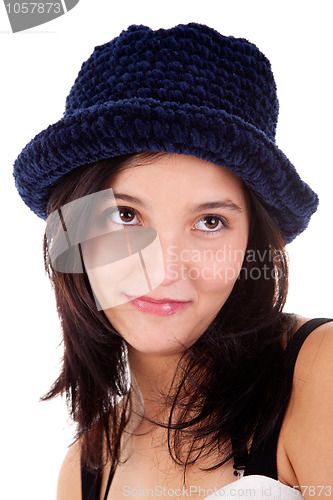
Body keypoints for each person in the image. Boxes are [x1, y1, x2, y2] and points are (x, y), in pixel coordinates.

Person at [13, 23, 333, 500]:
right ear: (72, 230)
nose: (163, 270)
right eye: (125, 214)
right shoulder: (83, 469)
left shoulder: (318, 371)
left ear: (252, 241)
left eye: (209, 222)